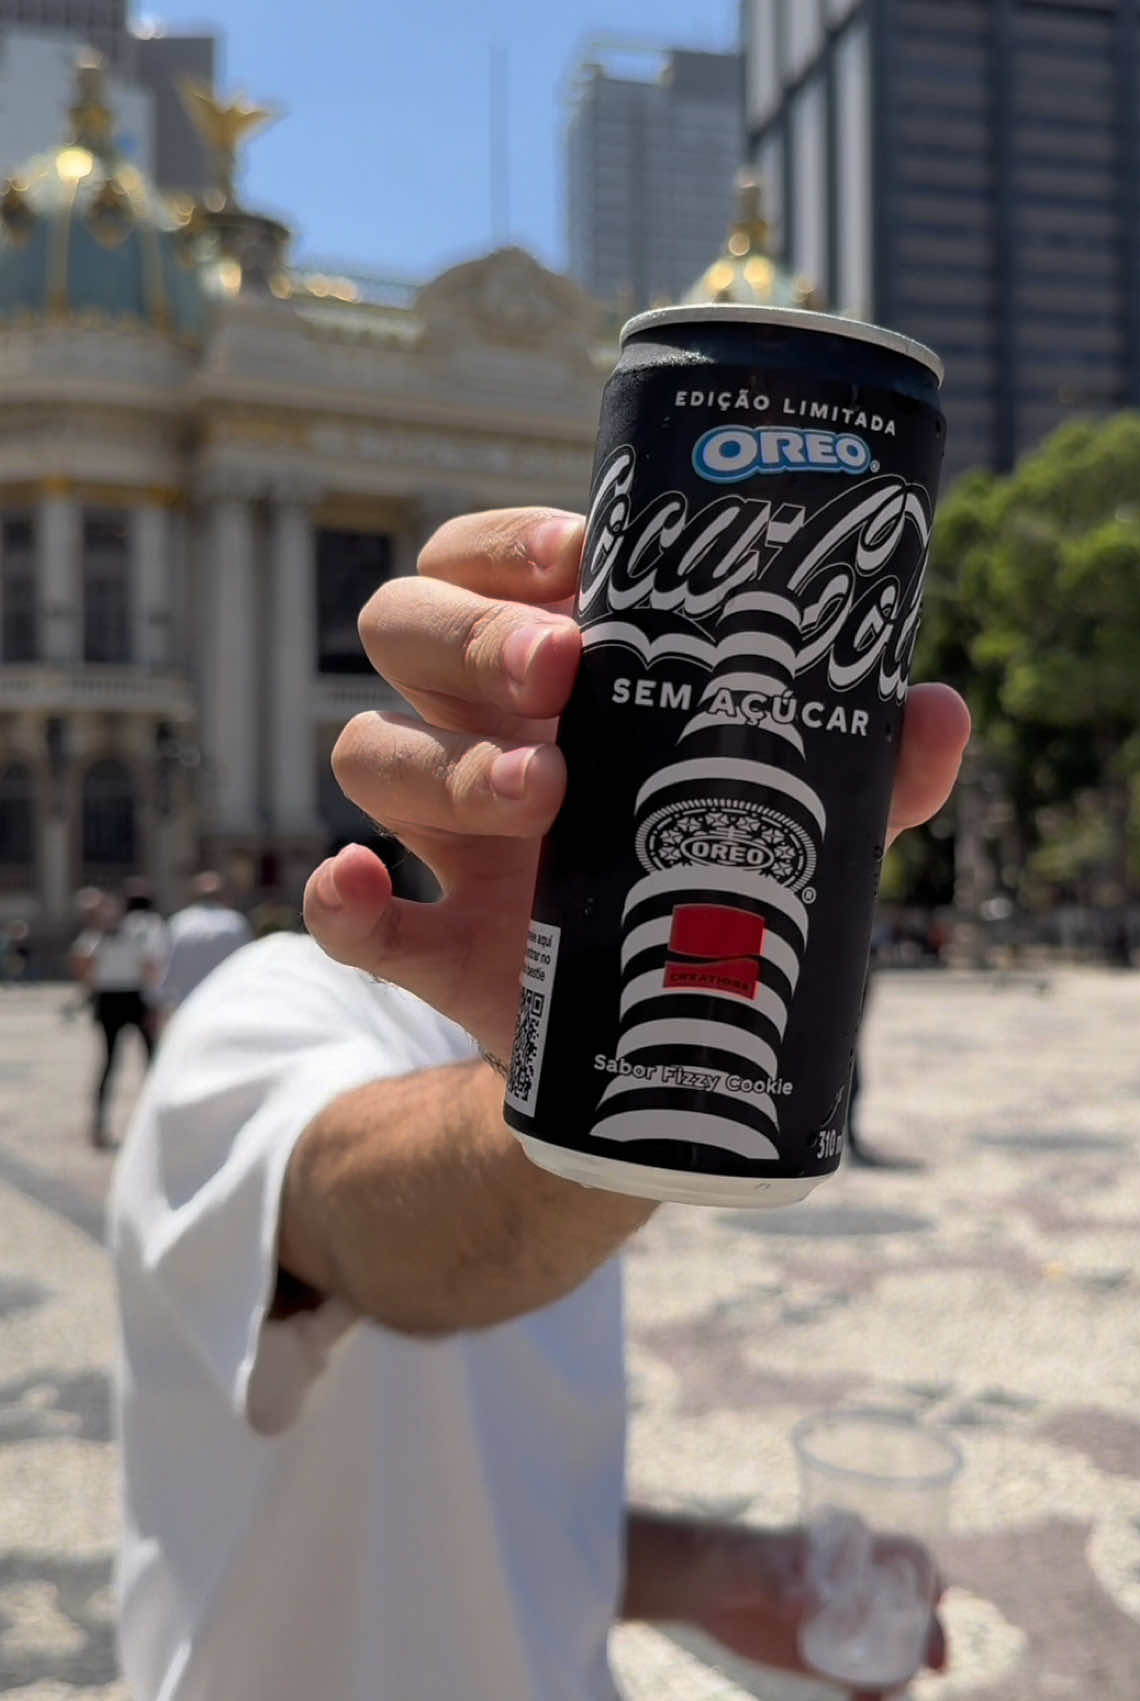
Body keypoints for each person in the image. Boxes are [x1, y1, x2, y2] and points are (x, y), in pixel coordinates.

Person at [109, 506, 971, 1701]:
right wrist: (581, 1077)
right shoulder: (260, 1011)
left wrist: (722, 1573)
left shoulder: (571, 1035)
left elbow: (493, 1505)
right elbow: (389, 1251)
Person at [80, 891, 165, 1148]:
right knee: (109, 1063)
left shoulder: (135, 932)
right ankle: (99, 1126)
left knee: (152, 1062)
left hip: (132, 996)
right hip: (111, 998)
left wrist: (152, 1002)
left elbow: (149, 967)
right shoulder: (95, 937)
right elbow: (83, 963)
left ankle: (158, 1124)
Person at [156, 870, 252, 1015]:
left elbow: (166, 964)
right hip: (226, 1002)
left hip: (186, 1004)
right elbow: (248, 963)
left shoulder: (179, 923)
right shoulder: (235, 923)